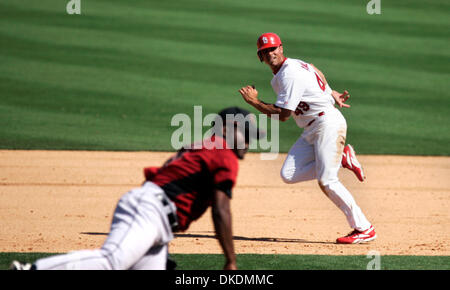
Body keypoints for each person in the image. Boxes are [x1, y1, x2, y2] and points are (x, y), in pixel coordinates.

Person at [10, 107, 264, 270]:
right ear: (230, 129)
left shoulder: (202, 146)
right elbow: (221, 210)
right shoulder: (224, 155)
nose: (250, 142)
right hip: (150, 210)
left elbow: (168, 168)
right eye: (247, 134)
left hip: (156, 219)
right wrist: (231, 260)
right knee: (112, 260)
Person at [238, 32, 376, 244]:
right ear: (260, 57)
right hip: (312, 129)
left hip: (327, 124)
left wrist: (254, 103)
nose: (270, 53)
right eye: (265, 51)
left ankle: (364, 228)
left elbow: (283, 116)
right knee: (289, 173)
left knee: (327, 180)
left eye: (273, 48)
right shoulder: (289, 69)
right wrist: (330, 92)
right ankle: (342, 159)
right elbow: (313, 67)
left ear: (281, 48)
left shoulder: (288, 74)